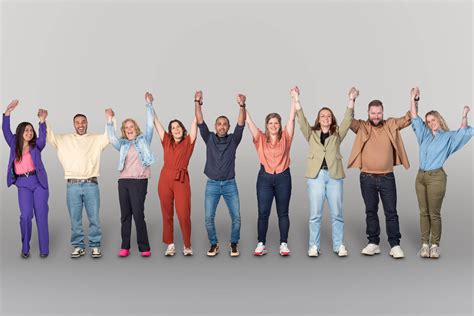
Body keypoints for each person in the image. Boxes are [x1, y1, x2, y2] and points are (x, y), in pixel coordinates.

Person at [409, 87, 473, 258]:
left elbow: (463, 131)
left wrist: (464, 116)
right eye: (428, 121)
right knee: (423, 212)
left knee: (434, 213)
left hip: (436, 177)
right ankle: (424, 244)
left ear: (439, 119)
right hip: (421, 177)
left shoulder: (448, 137)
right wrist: (413, 98)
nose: (430, 123)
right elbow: (414, 117)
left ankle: (435, 245)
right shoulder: (424, 135)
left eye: (433, 120)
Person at [293, 86, 357, 257]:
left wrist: (351, 100)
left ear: (331, 119)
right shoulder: (311, 134)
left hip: (334, 176)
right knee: (315, 214)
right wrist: (297, 99)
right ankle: (313, 246)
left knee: (337, 213)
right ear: (319, 119)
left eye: (328, 115)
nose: (326, 118)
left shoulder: (337, 134)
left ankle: (339, 245)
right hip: (316, 177)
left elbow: (347, 120)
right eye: (323, 116)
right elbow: (301, 120)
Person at [348, 91, 412, 259]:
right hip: (366, 178)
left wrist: (413, 99)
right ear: (368, 113)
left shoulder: (390, 124)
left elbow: (409, 117)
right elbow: (348, 120)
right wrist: (351, 100)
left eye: (378, 113)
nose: (376, 116)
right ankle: (373, 243)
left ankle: (395, 245)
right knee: (370, 211)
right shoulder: (362, 126)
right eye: (373, 113)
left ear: (383, 113)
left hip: (387, 177)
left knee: (391, 211)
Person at [46, 108, 111, 258]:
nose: (80, 124)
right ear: (74, 124)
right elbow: (49, 136)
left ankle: (95, 245)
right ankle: (78, 246)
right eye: (77, 122)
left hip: (91, 184)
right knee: (75, 218)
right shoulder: (64, 139)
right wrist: (43, 120)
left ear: (87, 123)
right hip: (72, 185)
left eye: (83, 122)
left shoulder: (95, 139)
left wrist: (110, 119)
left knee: (94, 218)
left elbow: (109, 137)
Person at [194, 90, 246, 257]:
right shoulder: (208, 137)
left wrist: (242, 105)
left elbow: (241, 124)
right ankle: (214, 244)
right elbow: (200, 120)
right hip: (212, 184)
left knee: (236, 217)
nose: (222, 126)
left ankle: (233, 243)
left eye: (225, 124)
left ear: (228, 127)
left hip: (230, 184)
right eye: (219, 124)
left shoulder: (233, 139)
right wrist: (197, 101)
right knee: (208, 218)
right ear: (215, 126)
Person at [106, 92, 157, 258]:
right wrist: (109, 120)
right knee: (125, 215)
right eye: (126, 127)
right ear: (124, 130)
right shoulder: (122, 144)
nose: (129, 129)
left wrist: (149, 104)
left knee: (138, 213)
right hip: (124, 182)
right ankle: (125, 246)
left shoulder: (144, 140)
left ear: (136, 129)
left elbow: (150, 125)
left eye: (131, 127)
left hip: (139, 181)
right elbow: (112, 138)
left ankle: (144, 247)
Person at [246, 93, 296, 256]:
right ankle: (261, 243)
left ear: (279, 125)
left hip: (283, 177)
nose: (273, 125)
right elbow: (248, 122)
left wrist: (294, 99)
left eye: (276, 123)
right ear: (266, 125)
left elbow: (292, 119)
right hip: (265, 178)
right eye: (270, 123)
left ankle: (283, 244)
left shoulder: (286, 137)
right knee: (263, 212)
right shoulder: (260, 138)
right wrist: (242, 105)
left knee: (283, 212)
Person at [2, 100, 49, 258]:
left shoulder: (37, 145)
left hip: (38, 183)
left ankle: (44, 250)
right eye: (26, 130)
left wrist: (42, 121)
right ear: (21, 131)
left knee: (41, 215)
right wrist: (7, 113)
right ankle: (25, 247)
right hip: (23, 184)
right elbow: (5, 129)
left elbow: (43, 136)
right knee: (26, 215)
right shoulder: (13, 142)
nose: (29, 132)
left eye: (31, 130)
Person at [154, 96, 198, 256]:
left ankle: (187, 245)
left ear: (182, 128)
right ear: (170, 131)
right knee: (166, 213)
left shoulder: (189, 141)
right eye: (173, 127)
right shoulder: (166, 141)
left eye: (178, 126)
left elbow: (196, 121)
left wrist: (197, 103)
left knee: (184, 213)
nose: (176, 129)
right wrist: (149, 104)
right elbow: (156, 122)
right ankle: (170, 244)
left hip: (181, 179)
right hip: (164, 179)